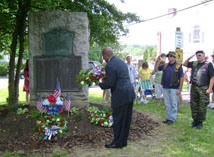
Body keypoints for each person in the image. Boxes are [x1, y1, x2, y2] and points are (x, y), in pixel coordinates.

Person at [99, 47, 135, 148]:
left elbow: (111, 83)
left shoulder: (109, 65)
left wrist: (100, 84)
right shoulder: (121, 61)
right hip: (129, 93)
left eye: (104, 57)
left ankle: (117, 143)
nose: (104, 59)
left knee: (118, 119)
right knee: (126, 119)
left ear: (105, 55)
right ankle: (123, 141)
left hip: (120, 95)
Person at [183, 50, 214, 129]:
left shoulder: (208, 64)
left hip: (204, 87)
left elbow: (212, 77)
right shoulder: (194, 63)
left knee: (202, 106)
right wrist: (191, 56)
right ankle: (195, 121)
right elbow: (185, 64)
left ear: (204, 56)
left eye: (200, 55)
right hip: (194, 87)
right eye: (197, 55)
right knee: (194, 105)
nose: (198, 56)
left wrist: (210, 88)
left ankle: (200, 122)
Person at [155, 51, 184, 124]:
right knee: (167, 103)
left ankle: (172, 118)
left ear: (174, 57)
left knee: (174, 103)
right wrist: (158, 61)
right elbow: (157, 69)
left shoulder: (178, 66)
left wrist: (180, 88)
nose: (169, 57)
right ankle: (168, 117)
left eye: (171, 56)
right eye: (168, 56)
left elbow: (181, 77)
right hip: (165, 87)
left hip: (174, 87)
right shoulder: (165, 65)